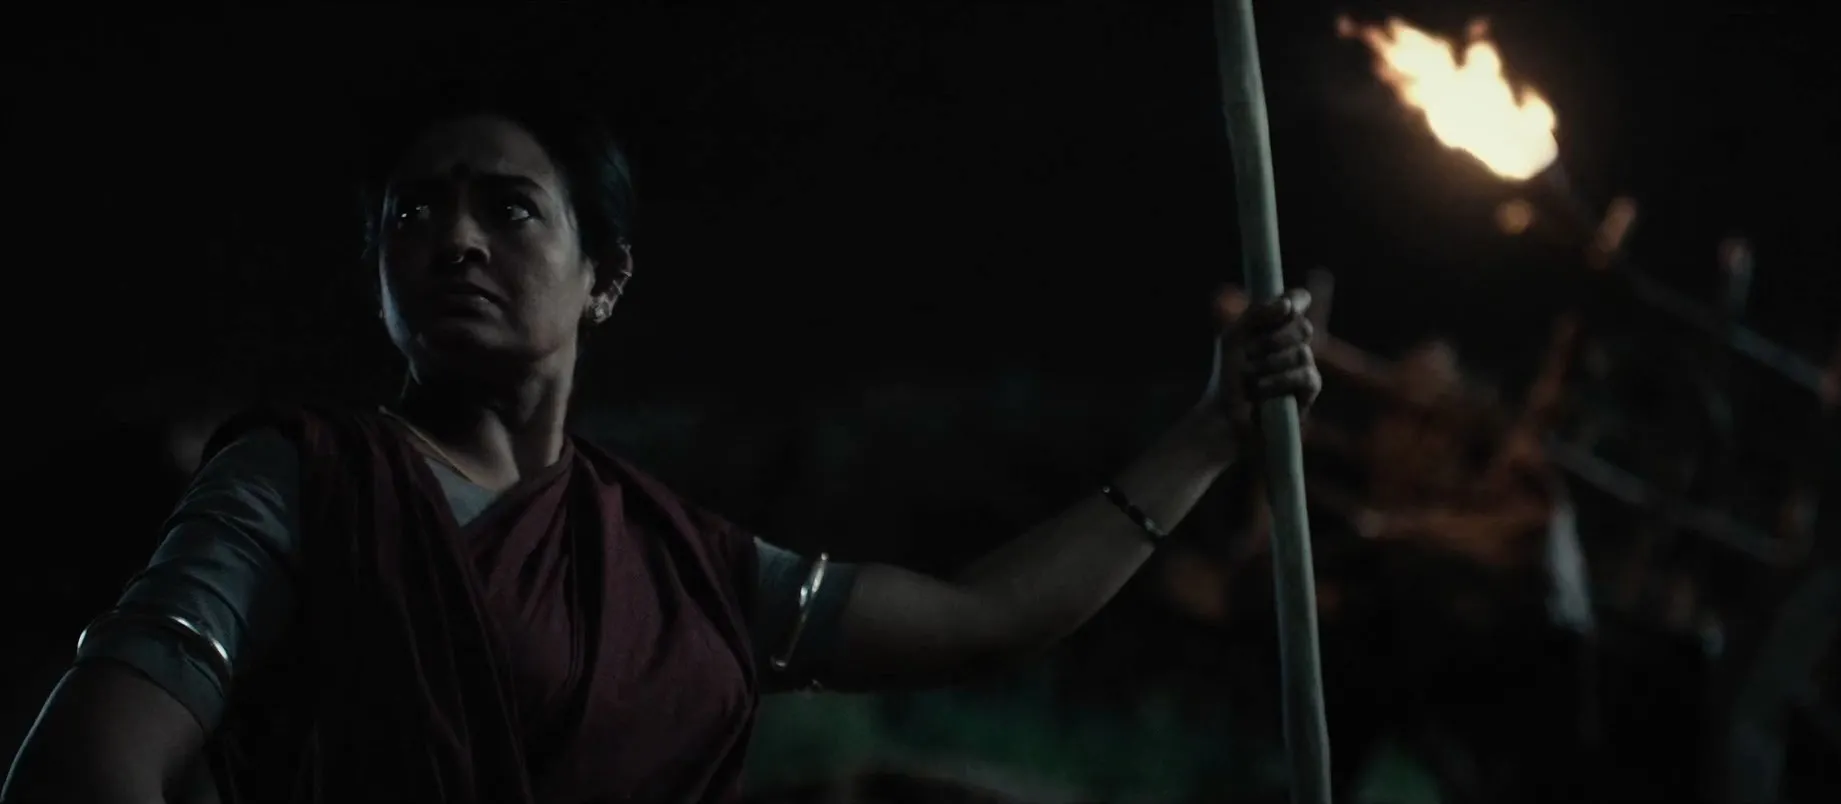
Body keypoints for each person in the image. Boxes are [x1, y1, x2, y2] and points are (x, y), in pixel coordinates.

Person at [1, 96, 1321, 804]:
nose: (453, 241)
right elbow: (88, 763)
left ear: (605, 277)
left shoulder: (676, 564)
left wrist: (1209, 435)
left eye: (508, 209)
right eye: (413, 215)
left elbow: (980, 620)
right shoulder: (304, 483)